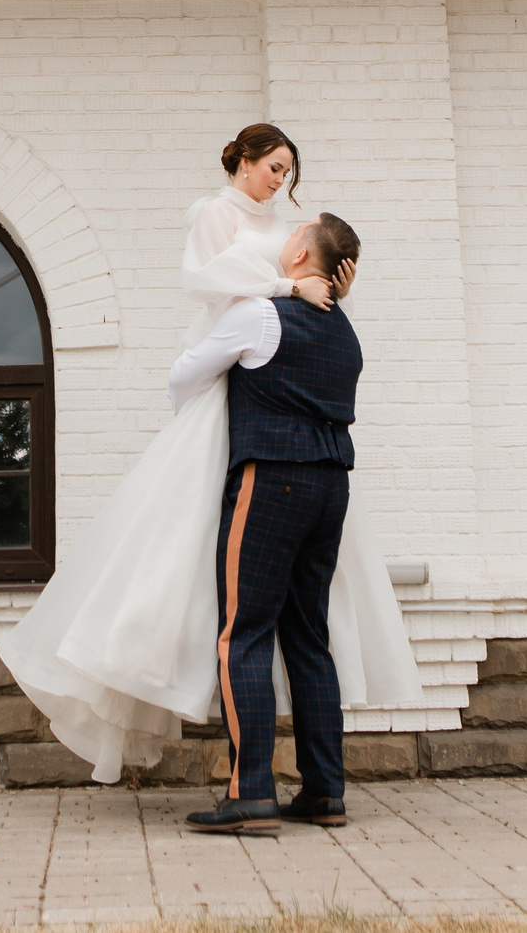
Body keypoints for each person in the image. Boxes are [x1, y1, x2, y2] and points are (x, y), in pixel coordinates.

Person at [0, 125, 420, 787]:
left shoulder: (290, 248)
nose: (281, 181)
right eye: (274, 166)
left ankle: (251, 788)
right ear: (243, 161)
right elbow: (207, 278)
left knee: (252, 623)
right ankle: (320, 786)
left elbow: (234, 338)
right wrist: (293, 290)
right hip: (283, 416)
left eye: (288, 171)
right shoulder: (219, 218)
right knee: (286, 619)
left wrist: (322, 290)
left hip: (266, 428)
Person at [171, 212, 365, 835]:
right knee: (309, 638)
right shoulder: (346, 331)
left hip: (271, 480)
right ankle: (325, 792)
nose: (286, 236)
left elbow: (184, 374)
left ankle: (251, 792)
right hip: (331, 486)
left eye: (297, 231)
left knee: (244, 633)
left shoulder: (259, 315)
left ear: (302, 256)